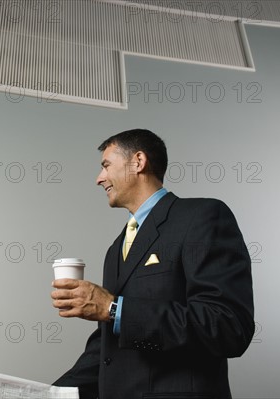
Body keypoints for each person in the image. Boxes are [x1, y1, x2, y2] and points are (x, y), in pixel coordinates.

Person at [51, 129, 254, 399]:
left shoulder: (202, 217)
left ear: (138, 161)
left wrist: (113, 308)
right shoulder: (116, 248)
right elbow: (105, 349)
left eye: (106, 165)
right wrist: (44, 394)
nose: (99, 179)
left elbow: (227, 327)